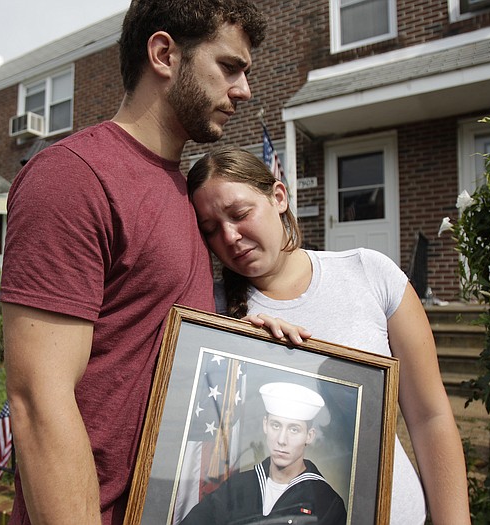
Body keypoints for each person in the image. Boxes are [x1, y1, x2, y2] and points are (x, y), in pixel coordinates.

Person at [0, 3, 268, 524]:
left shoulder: (183, 192)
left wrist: (244, 342)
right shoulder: (74, 177)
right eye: (230, 67)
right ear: (165, 54)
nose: (243, 90)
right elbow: (37, 401)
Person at [186, 146, 471, 525]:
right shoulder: (207, 312)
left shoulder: (370, 273)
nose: (230, 236)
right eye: (211, 229)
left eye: (240, 214)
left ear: (279, 197)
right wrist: (240, 344)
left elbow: (430, 417)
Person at [181, 382, 347, 525]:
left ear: (309, 436)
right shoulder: (237, 486)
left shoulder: (327, 501)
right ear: (265, 425)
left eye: (294, 429)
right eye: (276, 425)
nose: (282, 440)